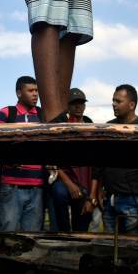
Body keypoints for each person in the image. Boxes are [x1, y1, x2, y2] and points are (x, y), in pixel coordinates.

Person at [89, 85, 138, 234]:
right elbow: (99, 165)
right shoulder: (108, 128)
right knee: (110, 248)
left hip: (134, 201)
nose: (114, 104)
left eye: (118, 101)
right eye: (113, 100)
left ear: (131, 104)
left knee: (132, 250)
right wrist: (95, 193)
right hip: (110, 201)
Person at [0, 76, 45, 231]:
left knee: (32, 238)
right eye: (30, 90)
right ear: (19, 93)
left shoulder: (43, 114)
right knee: (7, 235)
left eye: (36, 90)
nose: (35, 94)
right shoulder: (6, 113)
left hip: (37, 186)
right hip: (11, 185)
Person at [49, 88, 93, 232]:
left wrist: (92, 196)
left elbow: (96, 163)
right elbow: (51, 159)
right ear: (67, 105)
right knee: (59, 193)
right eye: (74, 103)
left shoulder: (90, 124)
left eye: (81, 103)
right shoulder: (59, 124)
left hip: (85, 183)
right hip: (64, 179)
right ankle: (63, 233)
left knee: (82, 228)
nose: (78, 107)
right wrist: (69, 183)